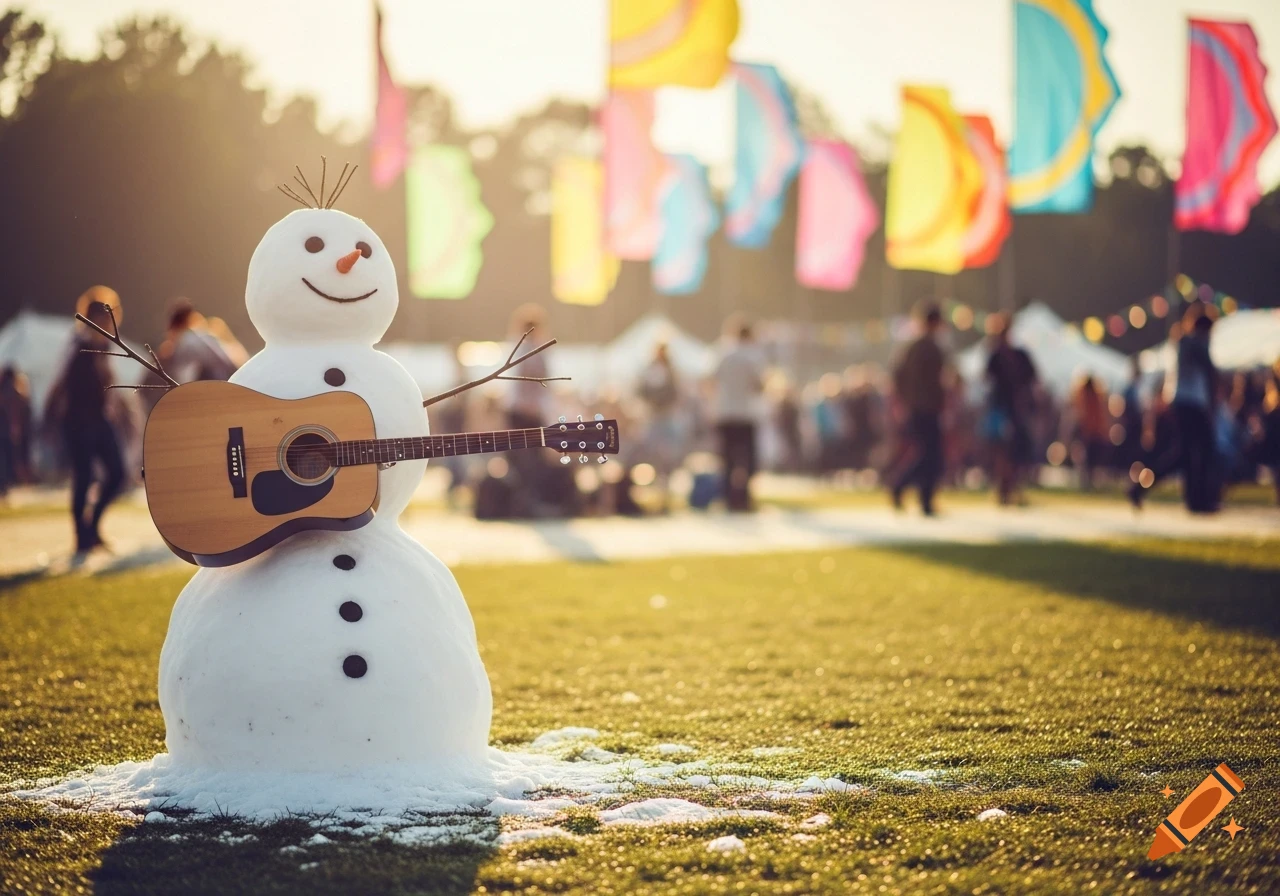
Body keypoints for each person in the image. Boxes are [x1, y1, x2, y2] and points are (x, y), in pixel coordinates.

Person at [45, 289, 128, 556]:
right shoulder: (75, 343)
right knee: (84, 478)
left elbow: (108, 383)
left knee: (117, 474)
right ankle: (81, 537)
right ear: (91, 317)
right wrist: (48, 418)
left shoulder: (105, 346)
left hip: (101, 419)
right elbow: (58, 383)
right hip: (77, 421)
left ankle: (92, 526)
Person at [1132, 306, 1219, 512]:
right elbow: (1209, 371)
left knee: (1185, 454)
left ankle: (1191, 499)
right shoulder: (1192, 343)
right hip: (1191, 404)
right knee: (1201, 449)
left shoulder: (1182, 342)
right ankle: (1197, 499)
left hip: (1183, 402)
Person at [888, 304, 948, 515]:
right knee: (931, 455)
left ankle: (916, 495)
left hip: (916, 407)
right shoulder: (930, 348)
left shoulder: (912, 347)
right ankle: (907, 490)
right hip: (926, 408)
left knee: (926, 453)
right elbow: (936, 383)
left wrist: (904, 400)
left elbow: (897, 376)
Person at [984, 313, 1038, 505]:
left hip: (1014, 408)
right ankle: (1004, 488)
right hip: (1001, 408)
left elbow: (1032, 379)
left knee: (1015, 449)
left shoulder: (1017, 355)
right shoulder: (996, 355)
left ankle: (1011, 487)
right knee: (1002, 449)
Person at [711, 316, 764, 512]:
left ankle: (727, 498)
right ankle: (744, 498)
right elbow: (759, 385)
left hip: (725, 412)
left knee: (727, 459)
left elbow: (710, 380)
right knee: (747, 459)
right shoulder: (753, 355)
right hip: (746, 413)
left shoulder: (722, 352)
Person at [637, 342, 683, 511]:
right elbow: (641, 390)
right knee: (654, 454)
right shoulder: (649, 370)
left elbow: (676, 392)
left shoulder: (671, 370)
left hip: (667, 416)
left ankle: (666, 491)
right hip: (654, 416)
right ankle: (657, 493)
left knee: (668, 455)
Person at [160, 299, 239, 383]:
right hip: (217, 382)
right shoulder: (194, 338)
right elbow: (223, 359)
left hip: (204, 385)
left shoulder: (187, 340)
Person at [1071, 375, 1108, 490]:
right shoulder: (1092, 396)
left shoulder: (1086, 396)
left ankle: (1088, 482)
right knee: (1087, 460)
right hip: (1089, 432)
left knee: (1090, 460)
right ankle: (1086, 482)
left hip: (1092, 432)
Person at [0, 366, 33, 496]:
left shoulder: (5, 391)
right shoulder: (13, 392)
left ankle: (4, 486)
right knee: (6, 460)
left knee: (4, 460)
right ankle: (4, 486)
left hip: (5, 431)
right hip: (6, 432)